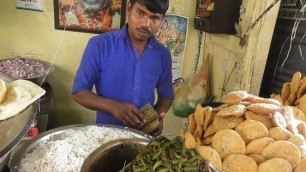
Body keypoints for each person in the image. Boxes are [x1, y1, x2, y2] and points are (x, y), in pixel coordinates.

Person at [72, 0, 173, 137]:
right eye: (140, 13)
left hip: (143, 137)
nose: (145, 24)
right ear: (129, 8)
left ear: (162, 19)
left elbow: (166, 95)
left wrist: (157, 117)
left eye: (154, 18)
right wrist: (114, 107)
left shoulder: (163, 54)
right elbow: (79, 92)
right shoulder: (100, 45)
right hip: (105, 136)